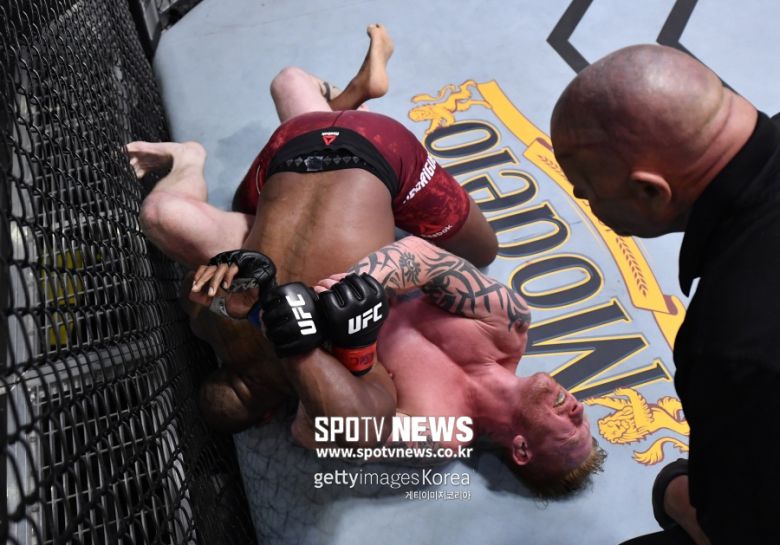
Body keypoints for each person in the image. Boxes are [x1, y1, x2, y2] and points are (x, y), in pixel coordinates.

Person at [128, 24, 601, 494]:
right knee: (482, 249)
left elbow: (312, 431)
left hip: (297, 246)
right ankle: (350, 101)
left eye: (572, 433)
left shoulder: (436, 435)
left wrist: (326, 342)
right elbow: (419, 254)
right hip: (380, 171)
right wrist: (360, 288)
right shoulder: (510, 322)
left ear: (522, 450)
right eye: (585, 421)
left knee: (163, 215)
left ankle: (190, 159)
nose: (579, 410)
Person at [550, 43, 780, 543]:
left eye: (587, 191)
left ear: (651, 191)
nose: (585, 201)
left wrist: (678, 491)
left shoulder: (734, 347)